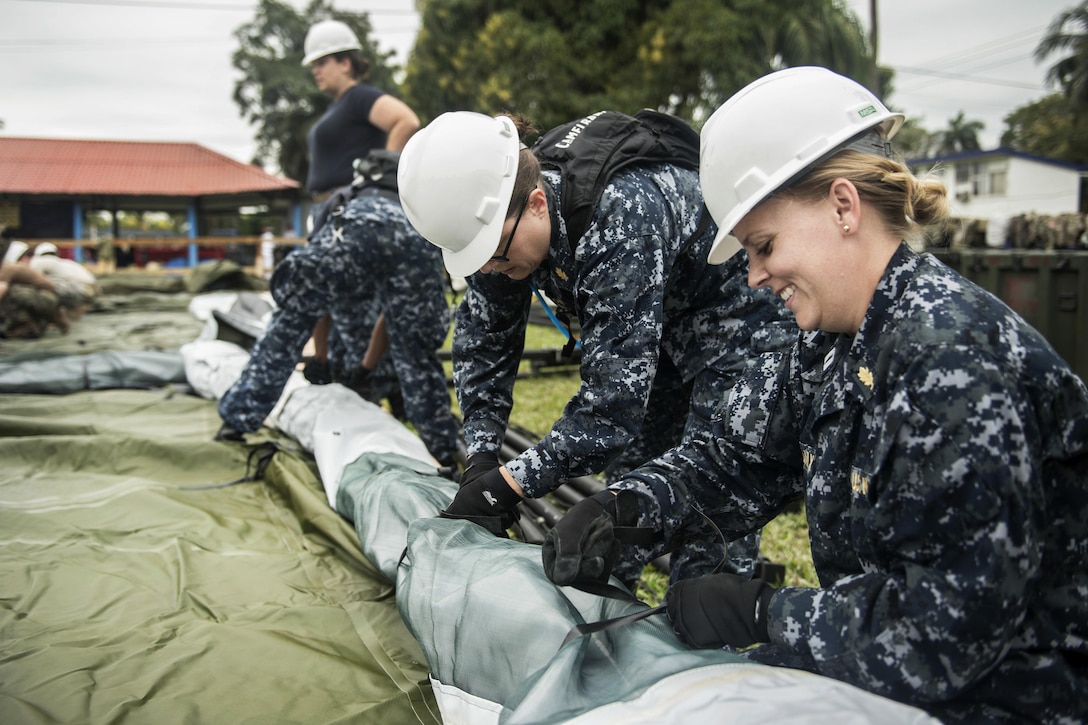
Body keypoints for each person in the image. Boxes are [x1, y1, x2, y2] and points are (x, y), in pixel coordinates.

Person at [548, 67, 1088, 722]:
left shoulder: (954, 365)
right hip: (897, 679)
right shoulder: (833, 342)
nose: (754, 276)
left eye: (764, 245)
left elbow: (941, 637)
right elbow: (731, 460)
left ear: (842, 206)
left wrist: (763, 611)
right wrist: (629, 504)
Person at [398, 111, 797, 583]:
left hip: (737, 323)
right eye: (478, 260)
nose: (489, 269)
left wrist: (508, 486)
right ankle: (606, 603)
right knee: (631, 480)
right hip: (662, 326)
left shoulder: (620, 214)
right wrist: (482, 455)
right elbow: (485, 343)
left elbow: (611, 409)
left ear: (538, 204)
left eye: (495, 255)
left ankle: (711, 627)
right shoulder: (499, 234)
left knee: (712, 484)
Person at [217, 150, 463, 472]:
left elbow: (314, 305)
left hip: (353, 233)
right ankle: (444, 452)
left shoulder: (343, 205)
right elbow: (395, 319)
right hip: (413, 234)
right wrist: (365, 366)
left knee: (288, 326)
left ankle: (236, 421)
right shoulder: (414, 204)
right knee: (416, 351)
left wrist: (321, 358)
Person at [302, 19, 420, 207]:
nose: (315, 71)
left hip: (351, 205)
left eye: (322, 63)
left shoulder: (359, 96)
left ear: (345, 64)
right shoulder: (336, 107)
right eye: (314, 65)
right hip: (330, 207)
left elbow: (406, 120)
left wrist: (380, 175)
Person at [30, 242, 100, 318]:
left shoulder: (41, 261)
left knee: (46, 287)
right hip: (93, 289)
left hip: (80, 289)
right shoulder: (66, 262)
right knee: (74, 315)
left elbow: (33, 277)